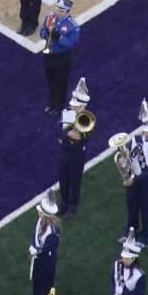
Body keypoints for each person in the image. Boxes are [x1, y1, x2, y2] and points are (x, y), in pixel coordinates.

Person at [125, 100, 148, 246]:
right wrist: (122, 159)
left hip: (146, 184)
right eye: (146, 130)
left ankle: (145, 237)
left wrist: (133, 179)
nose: (147, 133)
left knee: (146, 211)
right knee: (132, 208)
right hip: (132, 181)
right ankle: (130, 233)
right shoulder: (135, 139)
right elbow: (127, 155)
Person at [58, 78, 91, 215]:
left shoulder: (87, 118)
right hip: (64, 153)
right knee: (63, 179)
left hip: (76, 155)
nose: (72, 107)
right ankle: (64, 203)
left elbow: (79, 138)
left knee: (74, 180)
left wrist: (65, 136)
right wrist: (67, 135)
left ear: (82, 106)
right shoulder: (68, 112)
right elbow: (58, 132)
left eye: (76, 106)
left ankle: (72, 205)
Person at [41, 0, 80, 114]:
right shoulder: (50, 18)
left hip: (62, 57)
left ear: (68, 11)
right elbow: (42, 31)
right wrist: (45, 34)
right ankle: (51, 102)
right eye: (58, 9)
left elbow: (71, 44)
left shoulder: (72, 26)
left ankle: (59, 104)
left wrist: (59, 37)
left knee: (61, 81)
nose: (58, 12)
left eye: (61, 10)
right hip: (49, 55)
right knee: (51, 80)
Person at [29, 192, 62, 295]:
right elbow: (35, 235)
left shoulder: (53, 231)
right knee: (37, 282)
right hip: (38, 258)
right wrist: (33, 246)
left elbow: (48, 248)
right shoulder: (40, 221)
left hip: (47, 261)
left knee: (47, 284)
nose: (38, 212)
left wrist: (36, 250)